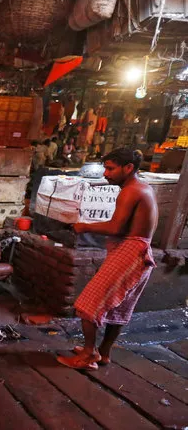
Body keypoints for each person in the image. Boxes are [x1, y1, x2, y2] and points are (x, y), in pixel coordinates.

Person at [57, 149, 157, 370]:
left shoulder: (131, 191)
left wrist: (83, 226)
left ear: (128, 168)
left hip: (130, 251)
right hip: (137, 251)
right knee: (119, 308)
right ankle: (103, 353)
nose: (105, 173)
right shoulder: (141, 188)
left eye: (111, 168)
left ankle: (88, 354)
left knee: (87, 304)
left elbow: (115, 227)